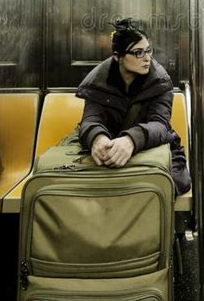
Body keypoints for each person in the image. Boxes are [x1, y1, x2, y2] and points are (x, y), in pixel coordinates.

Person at [76, 18, 191, 195]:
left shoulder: (159, 81)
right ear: (118, 57)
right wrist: (97, 138)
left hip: (153, 148)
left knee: (156, 188)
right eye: (138, 53)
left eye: (148, 50)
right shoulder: (97, 82)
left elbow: (160, 125)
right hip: (111, 149)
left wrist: (131, 140)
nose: (147, 58)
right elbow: (91, 118)